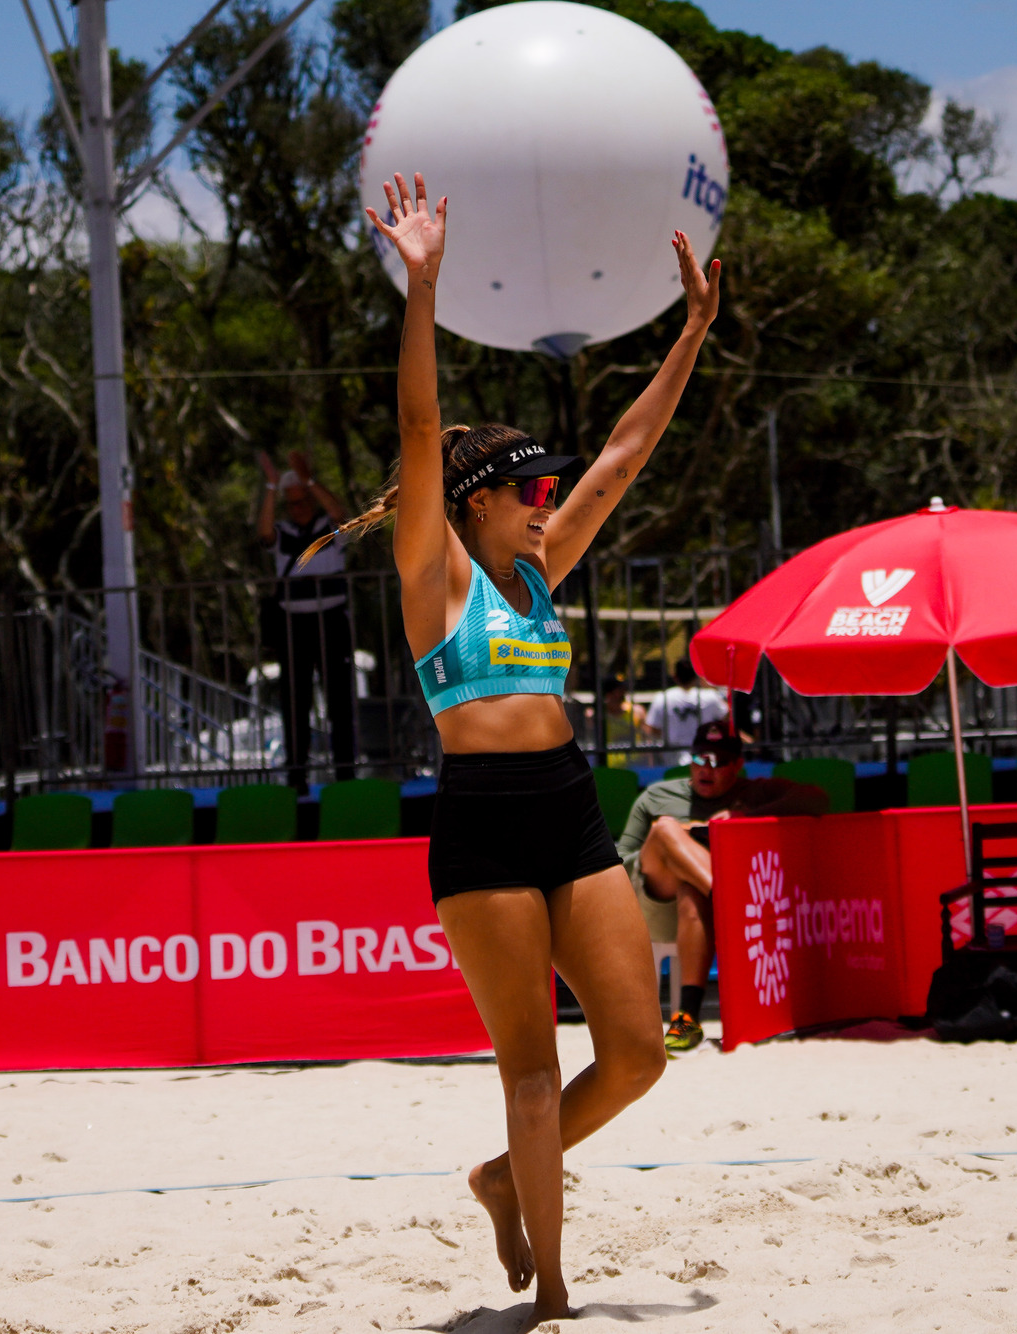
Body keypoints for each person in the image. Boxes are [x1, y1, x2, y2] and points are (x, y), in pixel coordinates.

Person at [333, 171, 718, 1320]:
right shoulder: (433, 574)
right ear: (475, 502)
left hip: (566, 805)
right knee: (533, 1071)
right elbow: (417, 427)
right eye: (530, 486)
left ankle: (503, 1177)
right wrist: (423, 285)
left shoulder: (540, 567)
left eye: (549, 483)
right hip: (483, 821)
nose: (550, 495)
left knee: (638, 1051)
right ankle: (549, 1288)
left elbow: (625, 452)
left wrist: (692, 331)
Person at [616, 720, 829, 1051]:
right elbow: (620, 858)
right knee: (665, 830)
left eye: (717, 762)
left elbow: (817, 799)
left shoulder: (754, 792)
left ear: (737, 765)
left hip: (698, 910)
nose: (706, 768)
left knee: (691, 890)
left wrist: (745, 818)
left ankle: (686, 1017)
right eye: (699, 758)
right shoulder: (658, 795)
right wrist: (682, 838)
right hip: (656, 902)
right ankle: (731, 904)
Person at [258, 449, 357, 789]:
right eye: (291, 504)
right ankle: (296, 775)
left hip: (331, 620)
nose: (297, 509)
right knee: (295, 701)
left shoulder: (328, 529)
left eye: (302, 501)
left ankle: (345, 774)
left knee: (339, 701)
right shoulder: (283, 532)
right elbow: (264, 533)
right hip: (294, 625)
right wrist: (271, 486)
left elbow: (340, 513)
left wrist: (310, 480)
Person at [642, 657, 728, 752]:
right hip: (702, 753)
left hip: (673, 755)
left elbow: (652, 730)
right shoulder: (710, 696)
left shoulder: (662, 698)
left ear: (675, 676)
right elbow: (727, 718)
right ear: (696, 676)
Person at [599, 675, 646, 765]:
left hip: (635, 766)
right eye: (619, 690)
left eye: (624, 689)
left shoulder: (637, 712)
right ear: (608, 693)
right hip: (608, 767)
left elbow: (647, 740)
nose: (623, 692)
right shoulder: (597, 715)